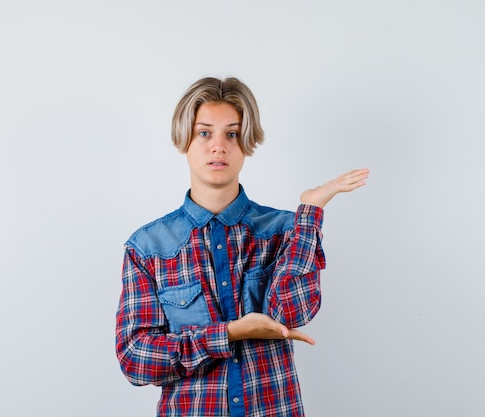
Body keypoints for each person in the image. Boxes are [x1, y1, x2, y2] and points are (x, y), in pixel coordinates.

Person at [115, 76, 369, 417]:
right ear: (184, 140)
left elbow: (292, 312)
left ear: (246, 142)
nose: (218, 146)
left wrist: (310, 212)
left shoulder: (283, 229)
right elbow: (135, 359)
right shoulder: (148, 247)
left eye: (231, 134)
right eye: (204, 132)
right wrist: (229, 334)